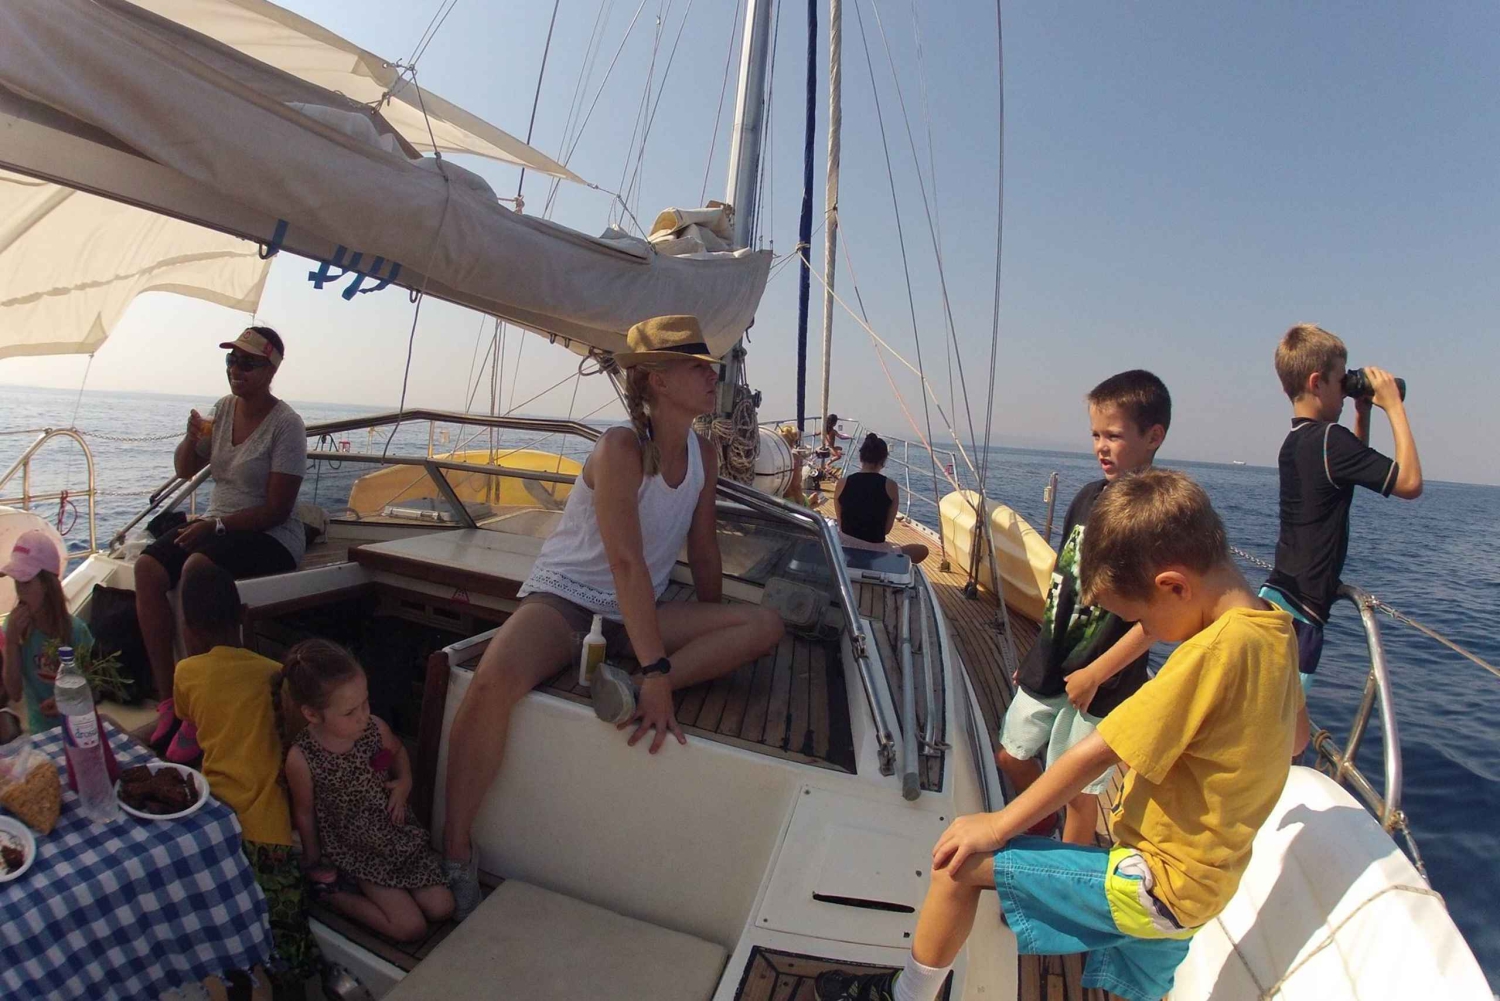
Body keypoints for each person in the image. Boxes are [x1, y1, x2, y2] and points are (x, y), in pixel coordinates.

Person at [816, 470, 1307, 1001]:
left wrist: (997, 825)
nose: (1148, 635)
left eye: (1140, 620)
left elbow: (1093, 755)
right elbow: (1296, 738)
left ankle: (905, 995)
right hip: (1206, 885)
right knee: (1131, 987)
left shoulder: (1212, 653)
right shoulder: (1274, 626)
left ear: (1173, 587)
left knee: (958, 863)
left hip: (1154, 881)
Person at [440, 315, 784, 920]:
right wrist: (658, 665)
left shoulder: (703, 454)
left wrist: (705, 624)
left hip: (635, 614)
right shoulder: (619, 449)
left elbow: (704, 548)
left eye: (711, 365)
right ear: (658, 380)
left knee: (764, 626)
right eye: (698, 366)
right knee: (492, 683)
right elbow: (625, 561)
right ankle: (455, 849)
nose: (713, 376)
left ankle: (632, 685)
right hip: (566, 599)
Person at [995, 370, 1167, 844]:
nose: (1101, 447)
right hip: (1051, 665)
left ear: (1153, 436)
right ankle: (1042, 824)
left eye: (1114, 436)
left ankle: (1065, 870)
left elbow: (1157, 621)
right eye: (1096, 435)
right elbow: (1062, 588)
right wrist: (1038, 653)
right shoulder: (1088, 498)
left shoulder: (1156, 518)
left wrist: (1095, 674)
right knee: (1010, 755)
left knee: (1077, 794)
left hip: (1104, 685)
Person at [137, 326, 307, 762]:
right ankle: (170, 701)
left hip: (270, 536)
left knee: (196, 568)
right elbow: (185, 469)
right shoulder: (222, 410)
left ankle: (201, 713)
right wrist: (191, 438)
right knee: (147, 568)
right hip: (217, 525)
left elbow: (277, 509)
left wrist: (215, 528)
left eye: (248, 363)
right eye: (232, 360)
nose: (236, 369)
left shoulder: (287, 426)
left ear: (271, 370)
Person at [174, 562, 320, 991]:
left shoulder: (186, 674)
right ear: (243, 614)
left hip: (216, 829)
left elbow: (188, 731)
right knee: (287, 940)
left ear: (187, 628)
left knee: (225, 925)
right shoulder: (275, 673)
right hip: (272, 833)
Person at [1262, 324, 1422, 693]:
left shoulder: (1297, 440)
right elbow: (1410, 483)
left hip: (1279, 597)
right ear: (1317, 383)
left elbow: (1350, 468)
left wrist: (1362, 412)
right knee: (1286, 721)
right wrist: (1394, 408)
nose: (1345, 388)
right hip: (1301, 614)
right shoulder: (1330, 441)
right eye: (1341, 381)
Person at [282, 639, 454, 943]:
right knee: (410, 928)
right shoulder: (302, 758)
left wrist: (404, 783)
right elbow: (304, 813)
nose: (363, 715)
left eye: (365, 702)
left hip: (394, 835)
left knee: (443, 907)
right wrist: (313, 857)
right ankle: (331, 892)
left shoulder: (374, 727)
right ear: (312, 714)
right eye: (350, 712)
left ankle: (354, 885)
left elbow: (397, 752)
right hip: (357, 849)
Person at [1, 530, 93, 734]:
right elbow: (14, 693)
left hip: (79, 726)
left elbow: (95, 687)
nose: (19, 591)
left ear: (47, 585)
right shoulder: (15, 629)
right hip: (41, 731)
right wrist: (12, 642)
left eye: (25, 582)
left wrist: (66, 701)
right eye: (16, 582)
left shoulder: (76, 631)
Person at [834, 433, 929, 564]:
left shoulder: (842, 483)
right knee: (922, 550)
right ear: (883, 460)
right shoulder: (891, 486)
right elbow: (886, 530)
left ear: (861, 457)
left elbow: (841, 524)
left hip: (843, 546)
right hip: (876, 551)